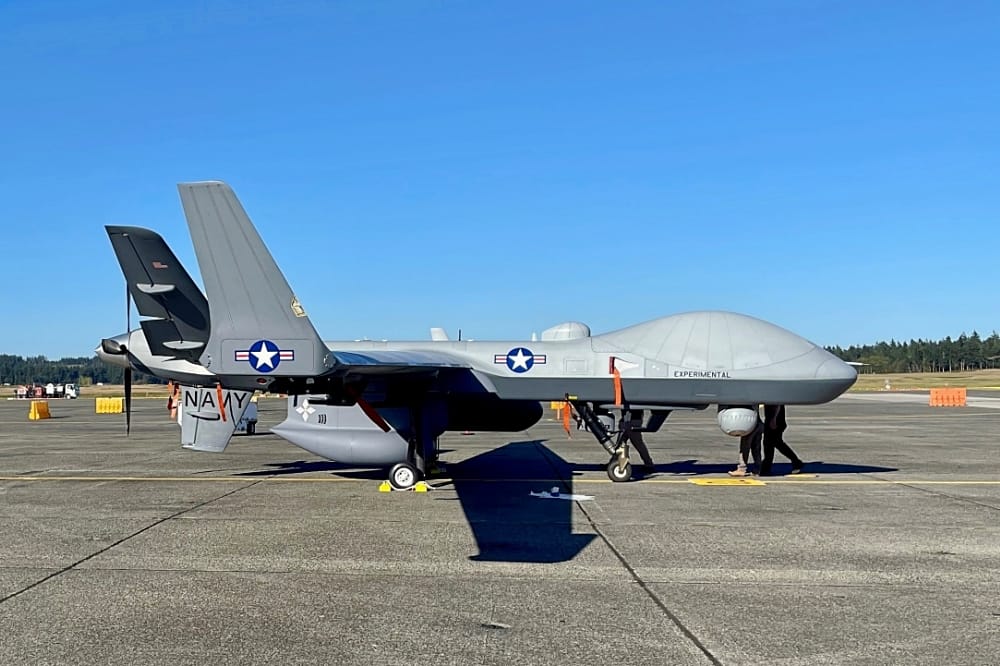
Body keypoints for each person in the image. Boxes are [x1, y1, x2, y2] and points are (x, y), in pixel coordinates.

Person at [759, 404, 804, 475]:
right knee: (772, 443)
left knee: (773, 443)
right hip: (773, 419)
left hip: (775, 420)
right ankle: (766, 468)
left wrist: (774, 419)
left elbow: (777, 404)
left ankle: (796, 461)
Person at [729, 409, 763, 477]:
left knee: (745, 446)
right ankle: (758, 469)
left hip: (750, 423)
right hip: (757, 422)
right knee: (756, 448)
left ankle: (742, 469)